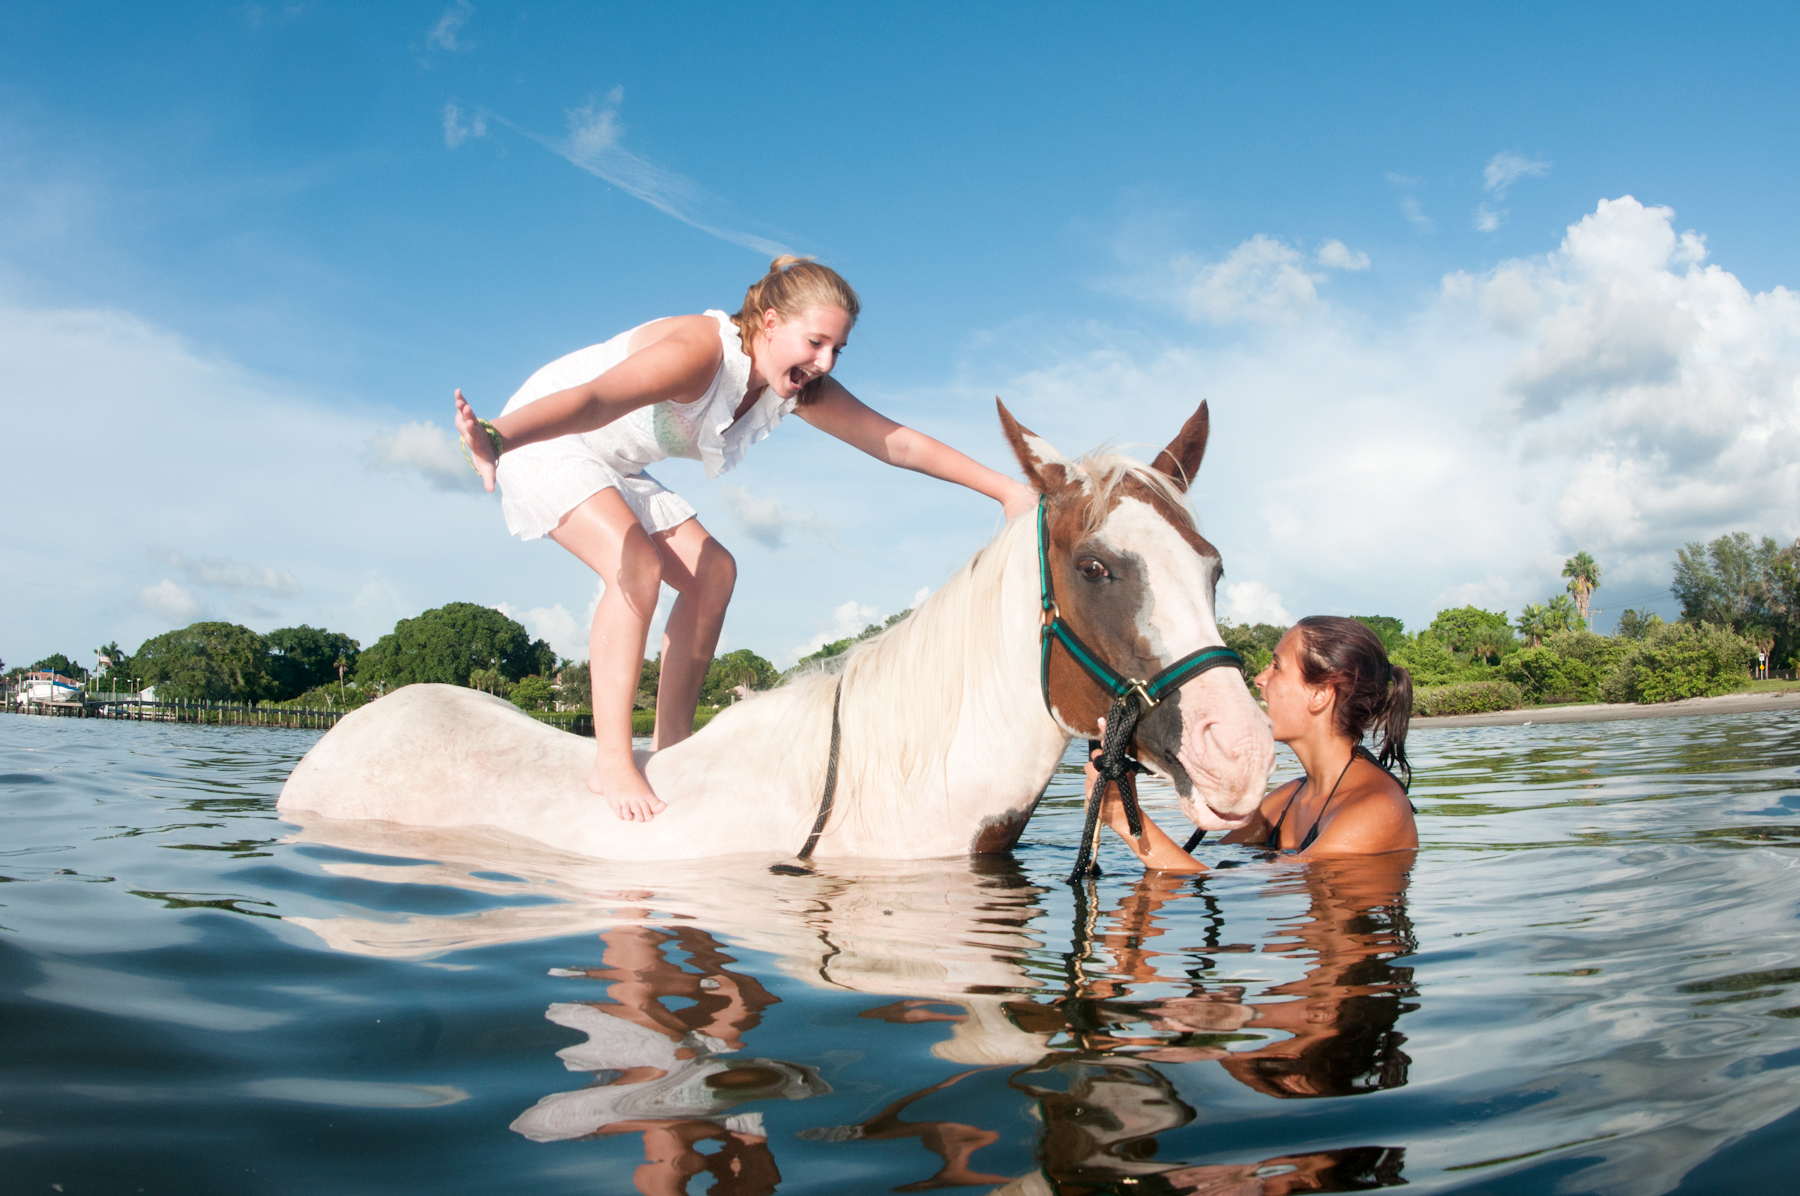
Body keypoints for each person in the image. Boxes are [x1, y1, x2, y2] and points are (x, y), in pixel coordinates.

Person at [455, 257, 1035, 821]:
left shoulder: (793, 390)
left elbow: (897, 443)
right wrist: (497, 437)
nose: (825, 362)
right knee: (635, 563)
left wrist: (1007, 492)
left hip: (614, 464)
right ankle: (611, 761)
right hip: (546, 435)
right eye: (815, 343)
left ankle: (671, 747)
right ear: (771, 322)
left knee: (715, 574)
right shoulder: (701, 354)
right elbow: (595, 402)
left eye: (837, 349)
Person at [1092, 615, 1418, 869]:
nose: (1260, 678)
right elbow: (1215, 869)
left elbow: (1217, 887)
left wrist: (1126, 817)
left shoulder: (1377, 809)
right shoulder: (1287, 798)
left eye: (1277, 666)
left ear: (1320, 694)